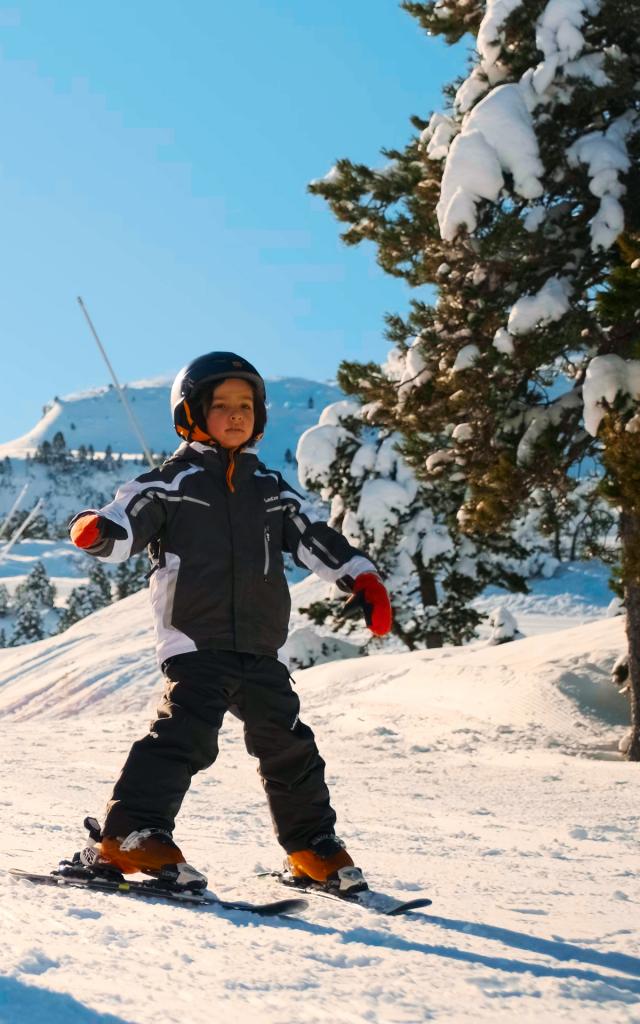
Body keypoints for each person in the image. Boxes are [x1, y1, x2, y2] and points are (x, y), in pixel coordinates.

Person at [69, 352, 392, 894]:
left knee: (290, 747)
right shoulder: (174, 481)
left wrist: (360, 577)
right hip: (196, 639)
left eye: (246, 405)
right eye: (221, 405)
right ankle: (128, 835)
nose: (236, 415)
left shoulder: (270, 488)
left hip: (262, 647)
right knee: (185, 736)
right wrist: (98, 529)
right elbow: (127, 521)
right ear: (191, 413)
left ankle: (311, 847)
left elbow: (314, 537)